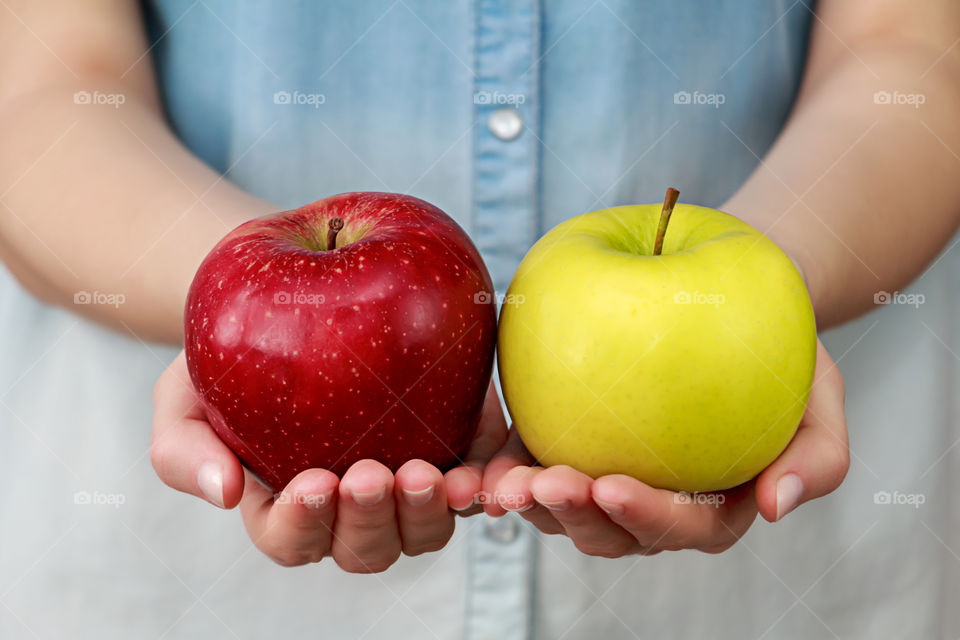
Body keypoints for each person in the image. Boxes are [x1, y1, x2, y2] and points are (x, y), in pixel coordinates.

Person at [1, 0, 958, 637]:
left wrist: (773, 299)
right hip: (175, 584)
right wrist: (232, 318)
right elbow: (41, 91)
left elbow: (912, 56)